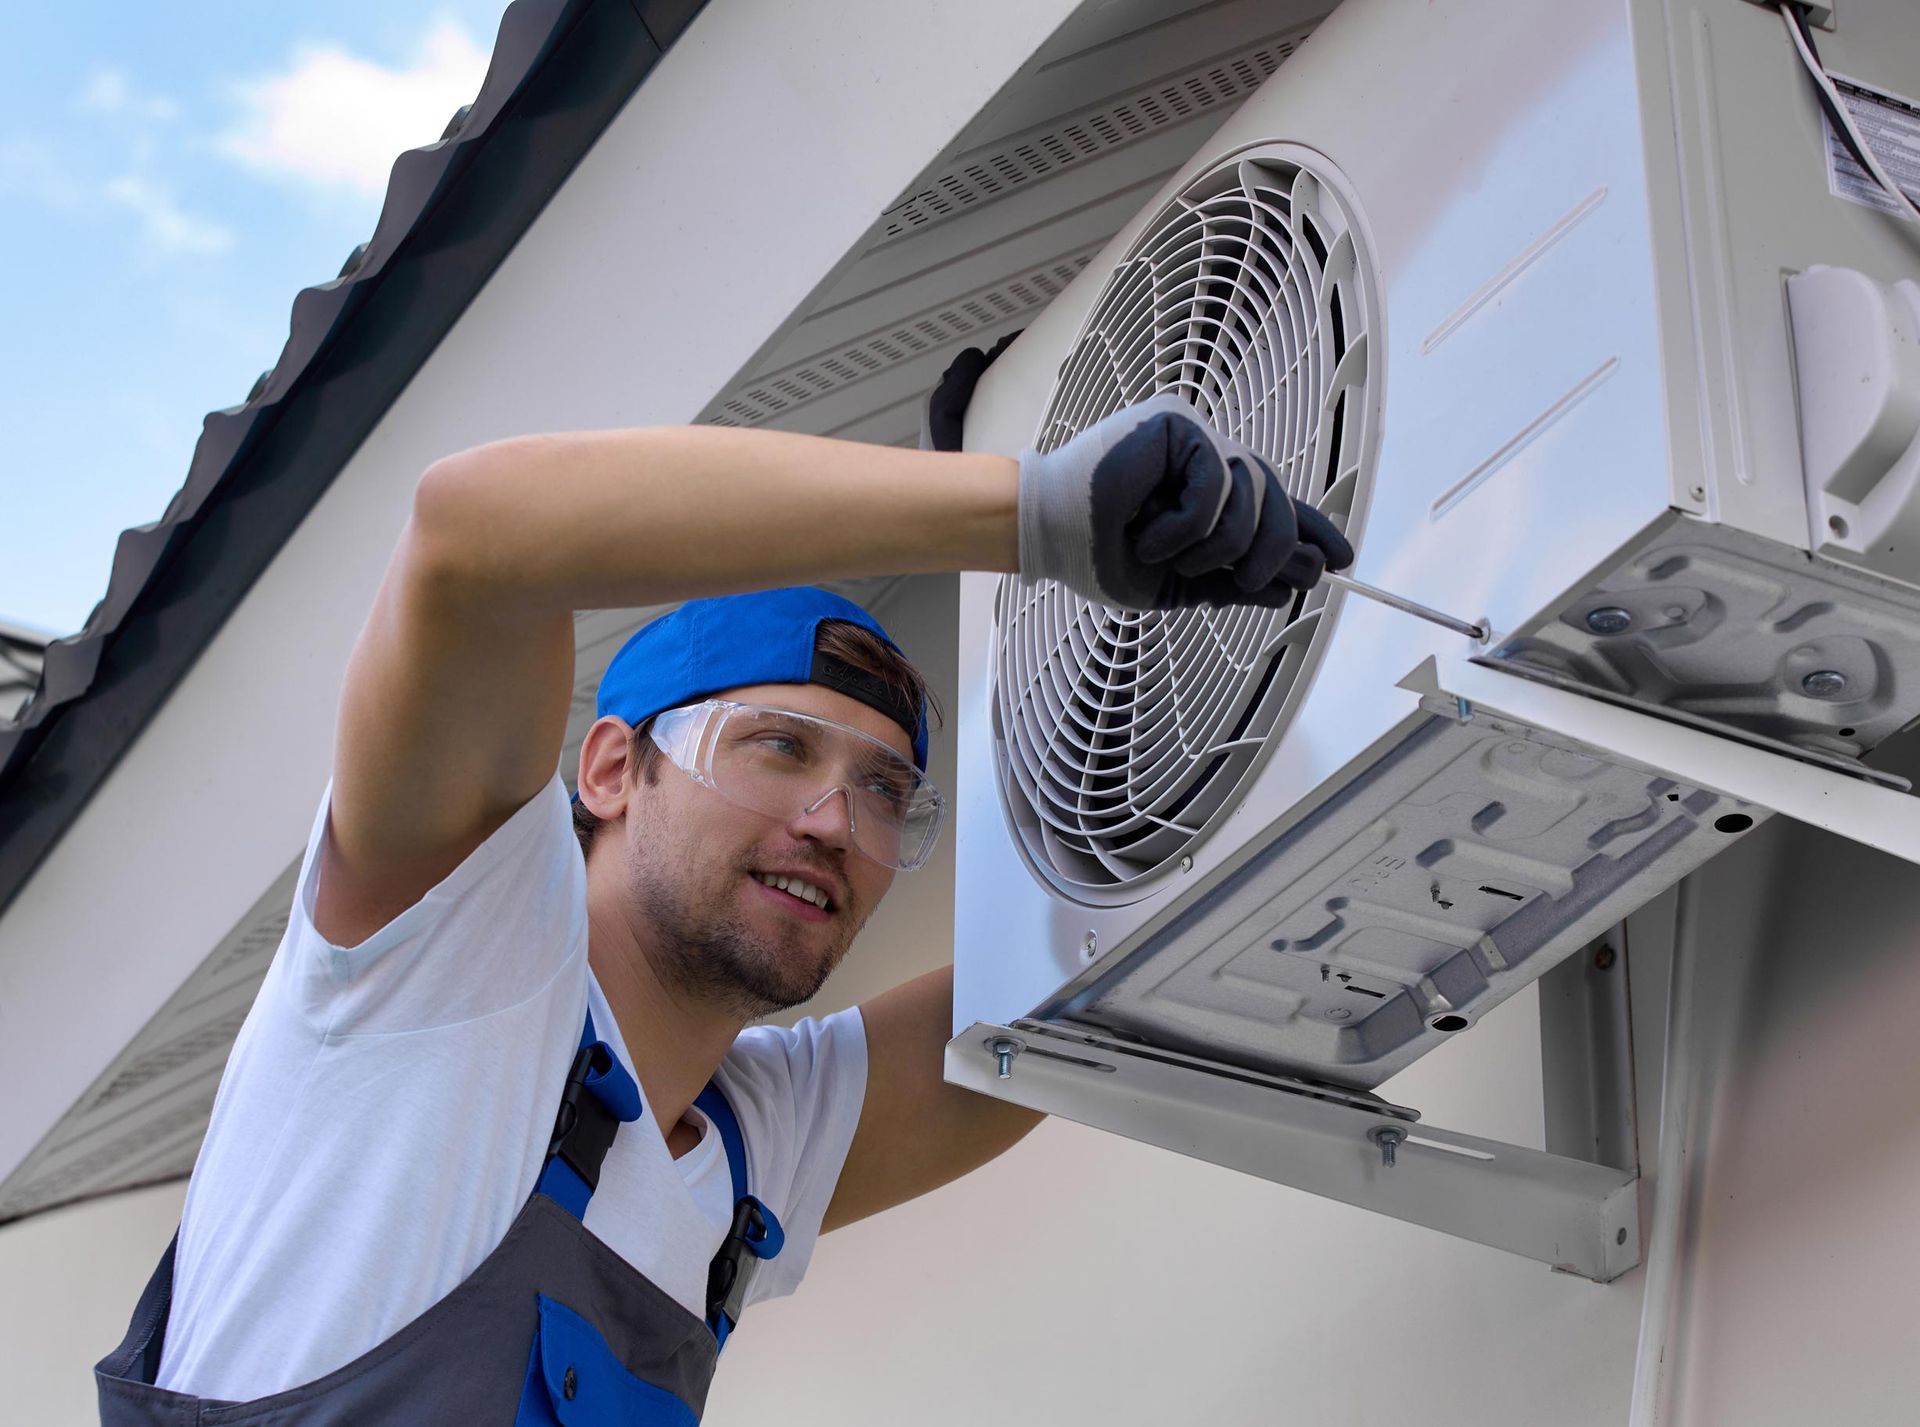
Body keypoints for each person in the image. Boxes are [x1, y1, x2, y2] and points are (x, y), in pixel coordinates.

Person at [93, 346, 1353, 1424]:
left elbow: (1114, 986)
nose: (832, 822)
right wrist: (1028, 515)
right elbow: (471, 531)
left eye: (880, 792)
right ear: (609, 767)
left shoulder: (755, 1145)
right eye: (778, 747)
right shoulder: (447, 956)